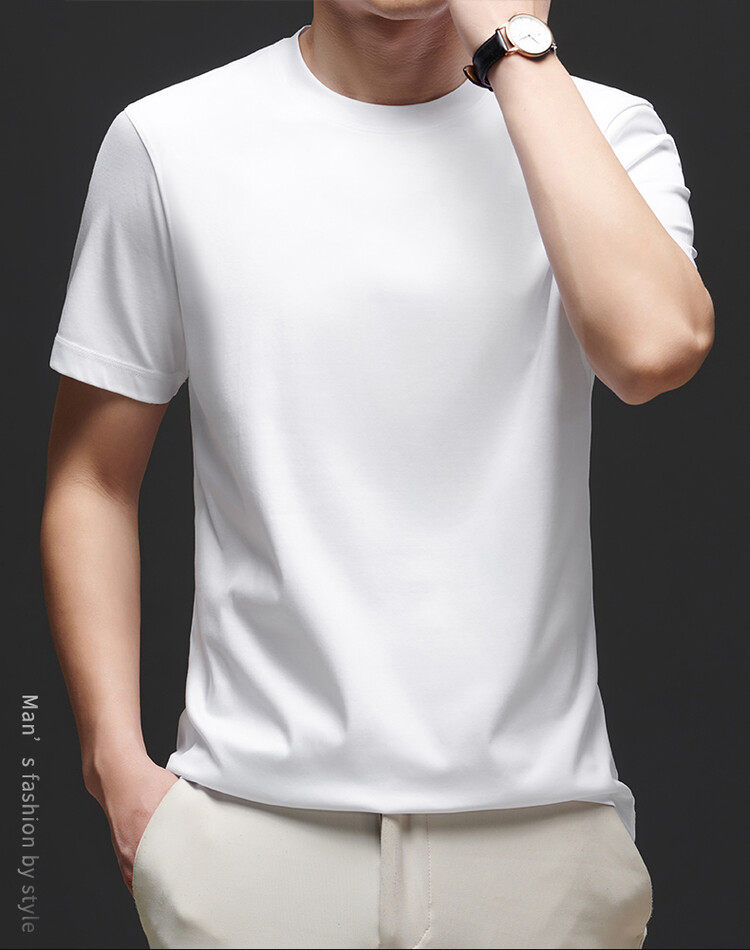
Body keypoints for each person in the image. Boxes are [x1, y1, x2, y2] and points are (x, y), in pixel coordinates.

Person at [41, 1, 713, 947]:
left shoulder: (600, 128)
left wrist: (513, 49)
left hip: (538, 845)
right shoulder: (172, 139)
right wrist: (115, 766)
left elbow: (654, 348)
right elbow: (92, 478)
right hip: (250, 841)